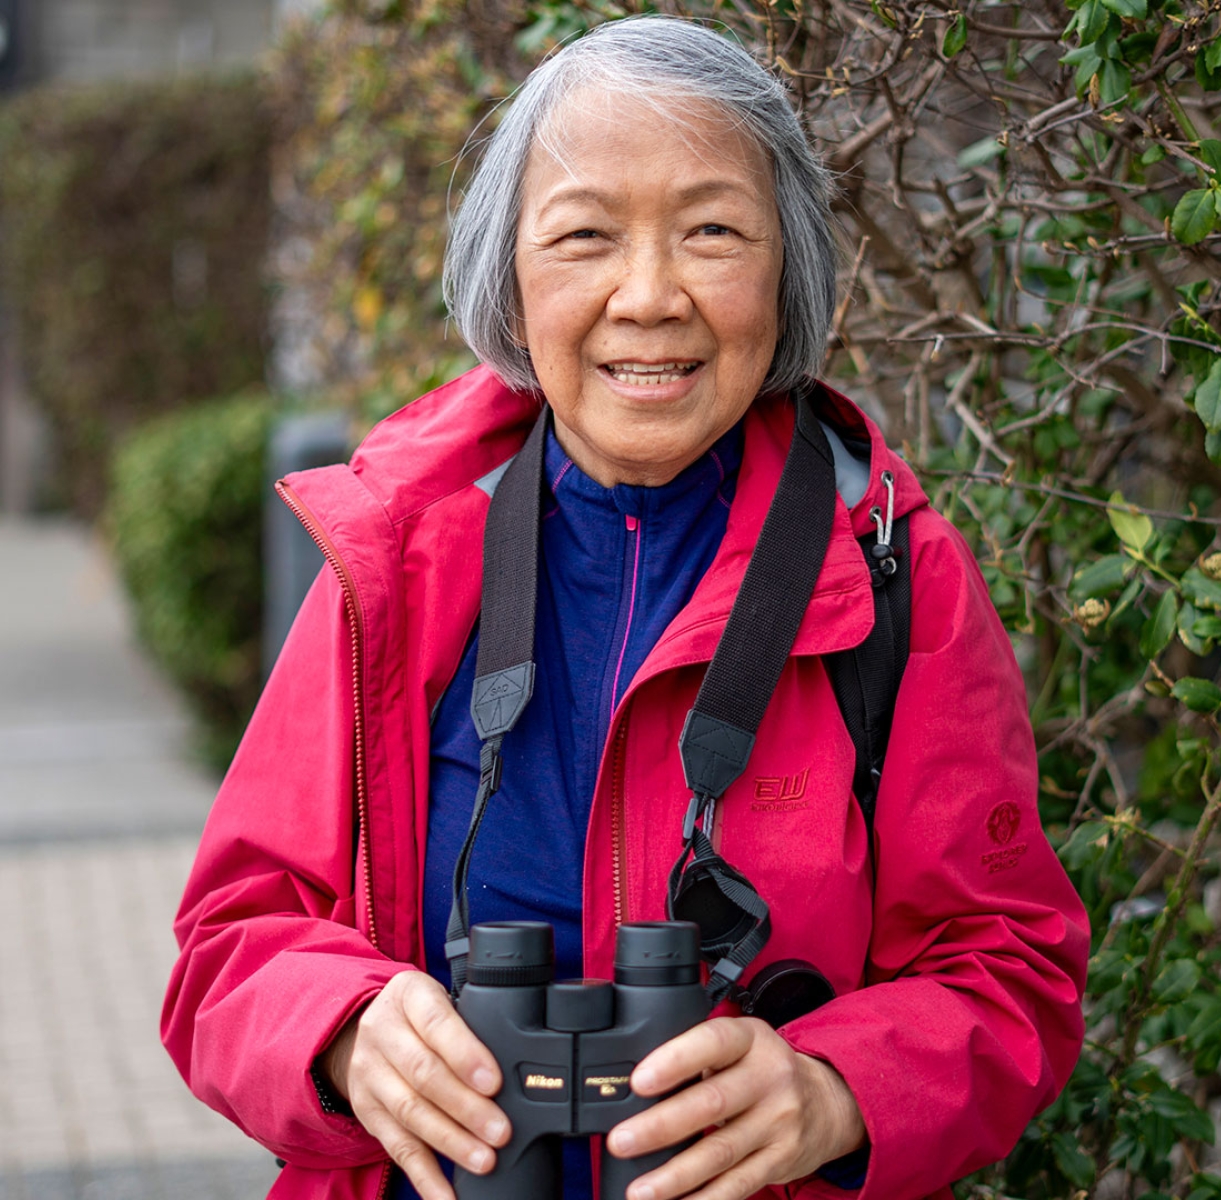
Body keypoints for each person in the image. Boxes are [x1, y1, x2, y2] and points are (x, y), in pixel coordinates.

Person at [161, 16, 1089, 1200]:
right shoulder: (400, 557)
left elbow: (1010, 970)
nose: (648, 298)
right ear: (512, 282)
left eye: (711, 232)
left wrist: (834, 1091)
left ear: (786, 269)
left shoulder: (892, 571)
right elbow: (228, 948)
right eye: (585, 236)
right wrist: (343, 1030)